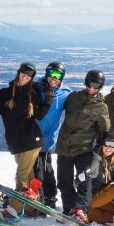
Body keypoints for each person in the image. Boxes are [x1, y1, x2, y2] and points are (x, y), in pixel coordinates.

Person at [0, 62, 49, 218]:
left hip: (32, 141)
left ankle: (14, 210)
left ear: (32, 78)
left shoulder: (34, 94)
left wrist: (48, 101)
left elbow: (39, 115)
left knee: (21, 176)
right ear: (19, 72)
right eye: (24, 72)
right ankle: (34, 208)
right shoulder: (6, 94)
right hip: (16, 143)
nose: (26, 76)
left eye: (30, 75)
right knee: (29, 177)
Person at [56, 69, 111, 220]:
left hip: (83, 149)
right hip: (64, 147)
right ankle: (68, 208)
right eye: (89, 84)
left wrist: (105, 147)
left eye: (96, 85)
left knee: (84, 181)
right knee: (63, 182)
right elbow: (56, 104)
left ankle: (80, 210)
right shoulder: (74, 97)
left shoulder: (101, 107)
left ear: (100, 86)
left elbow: (105, 130)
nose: (92, 87)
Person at [33, 61, 70, 209]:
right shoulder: (36, 89)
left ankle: (50, 197)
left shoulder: (65, 93)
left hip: (48, 140)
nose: (54, 78)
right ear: (46, 74)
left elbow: (79, 101)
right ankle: (40, 197)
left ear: (62, 78)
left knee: (47, 169)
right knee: (39, 169)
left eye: (58, 75)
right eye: (51, 74)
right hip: (33, 137)